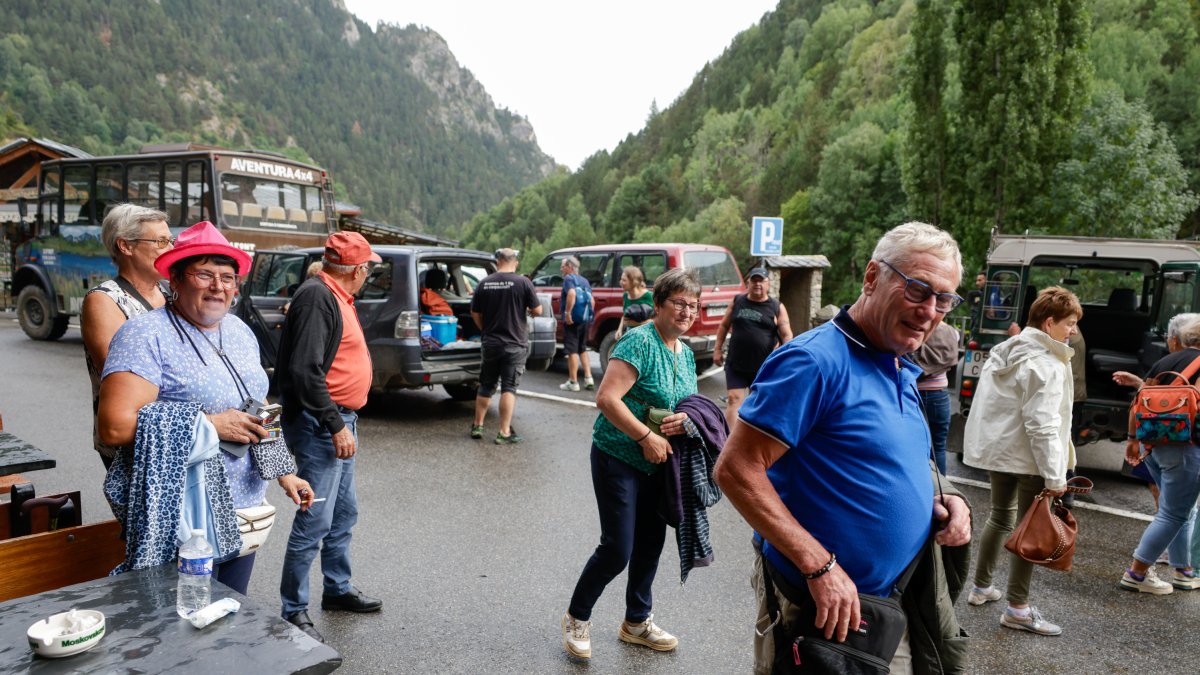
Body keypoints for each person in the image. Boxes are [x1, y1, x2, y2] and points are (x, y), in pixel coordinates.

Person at [713, 222, 973, 674]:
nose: (930, 310)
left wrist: (945, 497)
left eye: (944, 299)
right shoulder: (813, 362)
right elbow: (736, 470)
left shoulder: (896, 362)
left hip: (885, 604)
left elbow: (900, 459)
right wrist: (819, 566)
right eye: (917, 290)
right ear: (872, 277)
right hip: (817, 607)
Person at [97, 221, 313, 591]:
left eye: (227, 277)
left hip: (244, 510)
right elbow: (114, 427)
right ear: (176, 280)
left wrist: (284, 472)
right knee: (183, 622)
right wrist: (209, 424)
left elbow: (256, 405)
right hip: (183, 515)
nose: (218, 286)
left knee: (230, 613)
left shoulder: (239, 331)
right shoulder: (145, 335)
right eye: (204, 274)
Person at [562, 268, 702, 660]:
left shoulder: (685, 353)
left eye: (693, 305)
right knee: (617, 548)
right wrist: (645, 436)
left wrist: (686, 421)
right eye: (679, 303)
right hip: (618, 456)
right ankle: (577, 617)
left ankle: (636, 622)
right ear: (658, 305)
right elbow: (607, 399)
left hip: (660, 463)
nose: (687, 311)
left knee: (649, 547)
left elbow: (686, 402)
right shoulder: (639, 342)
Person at [274, 231, 384, 642]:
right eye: (368, 266)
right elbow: (305, 370)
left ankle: (336, 590)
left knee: (342, 512)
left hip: (339, 420)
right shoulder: (318, 297)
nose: (369, 271)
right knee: (314, 518)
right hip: (322, 424)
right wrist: (334, 423)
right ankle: (293, 609)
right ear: (357, 269)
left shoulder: (333, 294)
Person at [962, 287, 1081, 636]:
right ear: (1049, 322)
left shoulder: (1005, 349)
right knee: (1031, 528)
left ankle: (981, 587)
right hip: (1030, 457)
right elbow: (1043, 424)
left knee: (1000, 516)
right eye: (1070, 323)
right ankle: (1018, 607)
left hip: (1000, 451)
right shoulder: (1046, 363)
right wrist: (1054, 474)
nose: (1072, 331)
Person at [82, 204, 173, 469]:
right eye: (161, 241)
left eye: (171, 240)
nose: (170, 249)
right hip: (132, 440)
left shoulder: (171, 293)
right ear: (125, 246)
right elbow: (119, 374)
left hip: (174, 432)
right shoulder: (104, 300)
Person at [1116, 314, 1200, 595]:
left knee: (1180, 509)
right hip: (1187, 448)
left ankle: (1183, 570)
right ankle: (1136, 573)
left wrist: (1131, 439)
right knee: (1173, 513)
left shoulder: (1165, 362)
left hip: (1153, 444)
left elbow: (1140, 401)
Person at [469, 248, 543, 444]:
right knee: (508, 387)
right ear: (515, 262)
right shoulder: (523, 283)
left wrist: (484, 328)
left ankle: (478, 425)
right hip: (514, 344)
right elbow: (538, 310)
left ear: (497, 262)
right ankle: (504, 432)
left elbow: (474, 312)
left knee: (486, 385)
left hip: (491, 342)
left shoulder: (484, 283)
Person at [712, 267, 793, 427]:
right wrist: (717, 349)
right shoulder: (737, 301)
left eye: (761, 280)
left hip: (763, 365)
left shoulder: (776, 306)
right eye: (754, 280)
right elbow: (723, 325)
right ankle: (729, 442)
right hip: (736, 362)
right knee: (734, 399)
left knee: (758, 404)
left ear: (768, 284)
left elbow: (787, 335)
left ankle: (752, 441)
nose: (757, 284)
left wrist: (784, 356)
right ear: (748, 283)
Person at [911, 321, 960, 475]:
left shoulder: (916, 328)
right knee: (938, 446)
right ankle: (941, 490)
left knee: (912, 445)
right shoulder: (951, 332)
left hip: (914, 394)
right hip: (939, 395)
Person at [559, 256, 595, 392]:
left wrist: (568, 313)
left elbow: (572, 294)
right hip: (584, 319)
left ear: (569, 267)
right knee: (582, 348)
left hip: (573, 320)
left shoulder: (569, 279)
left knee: (572, 350)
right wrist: (589, 316)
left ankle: (573, 381)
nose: (561, 269)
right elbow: (592, 301)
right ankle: (588, 378)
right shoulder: (585, 280)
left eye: (562, 266)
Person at [616, 265, 653, 338]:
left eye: (624, 280)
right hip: (630, 334)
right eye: (621, 279)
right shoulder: (626, 295)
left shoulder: (649, 296)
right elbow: (625, 315)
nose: (621, 282)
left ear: (634, 281)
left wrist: (634, 323)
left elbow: (657, 321)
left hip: (647, 335)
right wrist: (619, 330)